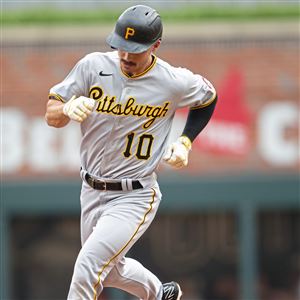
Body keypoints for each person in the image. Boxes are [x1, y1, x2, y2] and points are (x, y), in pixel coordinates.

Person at [45, 5, 217, 300]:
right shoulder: (92, 66)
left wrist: (186, 141)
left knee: (88, 265)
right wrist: (66, 108)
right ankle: (159, 294)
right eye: (121, 47)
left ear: (156, 46)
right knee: (110, 271)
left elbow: (208, 96)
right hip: (90, 188)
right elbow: (51, 114)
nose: (125, 56)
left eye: (134, 49)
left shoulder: (172, 80)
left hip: (134, 194)